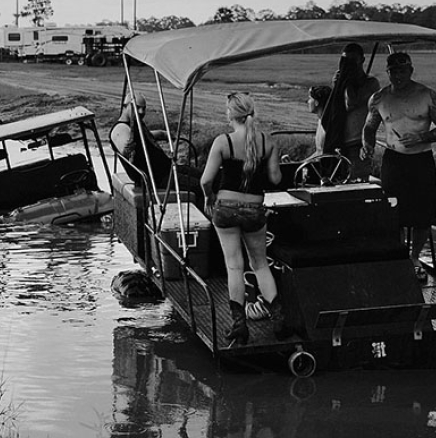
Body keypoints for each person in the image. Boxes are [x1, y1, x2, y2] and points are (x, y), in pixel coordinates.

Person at [200, 92, 286, 346]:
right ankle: (279, 320)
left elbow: (205, 180)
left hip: (225, 207)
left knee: (234, 266)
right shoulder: (268, 142)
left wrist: (208, 197)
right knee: (260, 264)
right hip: (254, 209)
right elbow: (276, 179)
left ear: (230, 114)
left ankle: (239, 326)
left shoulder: (223, 141)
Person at [361, 52, 436, 281]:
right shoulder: (379, 98)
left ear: (410, 71)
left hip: (421, 160)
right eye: (393, 72)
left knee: (423, 213)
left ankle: (415, 257)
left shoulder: (427, 95)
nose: (398, 76)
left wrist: (421, 137)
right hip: (393, 160)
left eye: (402, 71)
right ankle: (400, 254)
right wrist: (367, 146)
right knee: (393, 210)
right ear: (388, 72)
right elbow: (369, 128)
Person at [110, 92, 203, 200]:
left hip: (168, 169)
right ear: (125, 107)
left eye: (144, 108)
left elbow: (142, 137)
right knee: (200, 186)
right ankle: (207, 207)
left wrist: (160, 134)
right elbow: (126, 150)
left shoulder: (135, 123)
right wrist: (129, 147)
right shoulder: (121, 129)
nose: (141, 112)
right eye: (137, 107)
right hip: (158, 178)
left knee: (205, 176)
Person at [322, 43, 380, 181]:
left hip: (358, 143)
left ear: (362, 60)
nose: (348, 64)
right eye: (345, 60)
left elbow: (351, 103)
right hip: (339, 141)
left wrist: (346, 82)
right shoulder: (342, 82)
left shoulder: (370, 83)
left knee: (357, 182)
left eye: (352, 60)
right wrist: (337, 85)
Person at [307, 85, 332, 156]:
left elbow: (321, 154)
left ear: (316, 102)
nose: (308, 102)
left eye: (310, 98)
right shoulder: (321, 120)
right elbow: (318, 152)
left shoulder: (326, 124)